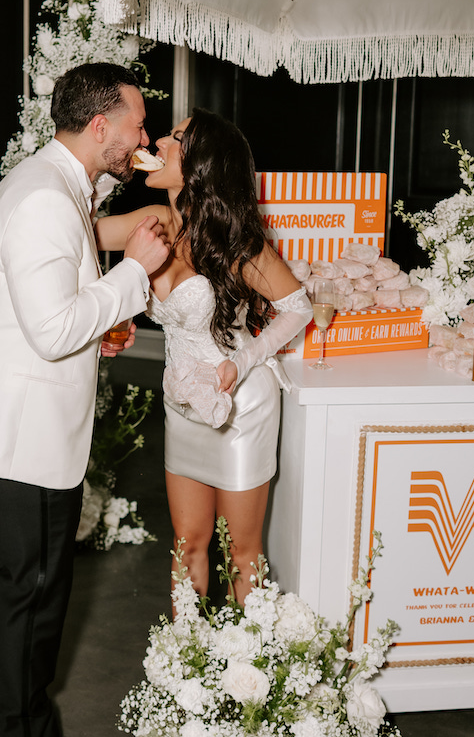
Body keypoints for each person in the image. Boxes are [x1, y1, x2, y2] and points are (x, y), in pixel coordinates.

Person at [0, 63, 170, 737]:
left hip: (4, 409)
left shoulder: (56, 185)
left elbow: (52, 313)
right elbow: (54, 328)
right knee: (32, 587)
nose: (145, 136)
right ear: (99, 126)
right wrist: (137, 272)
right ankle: (24, 725)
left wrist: (98, 332)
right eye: (137, 124)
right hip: (18, 430)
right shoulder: (45, 201)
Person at [96, 109, 312, 606]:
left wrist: (245, 360)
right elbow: (80, 228)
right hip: (183, 402)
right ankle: (185, 665)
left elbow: (297, 308)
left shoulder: (234, 239)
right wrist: (108, 172)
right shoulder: (149, 225)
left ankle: (247, 673)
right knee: (187, 541)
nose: (160, 143)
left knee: (242, 550)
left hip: (239, 402)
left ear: (200, 165)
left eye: (175, 138)